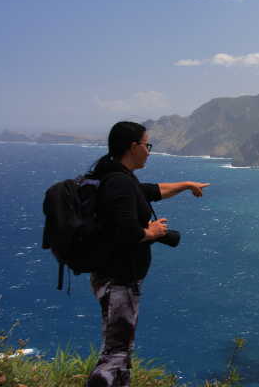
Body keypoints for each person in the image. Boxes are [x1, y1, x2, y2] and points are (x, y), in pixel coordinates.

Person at [86, 121, 209, 387]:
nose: (149, 151)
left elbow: (154, 191)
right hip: (119, 279)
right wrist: (152, 232)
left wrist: (187, 184)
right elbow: (126, 232)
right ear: (134, 147)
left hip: (116, 277)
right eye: (147, 144)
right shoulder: (119, 183)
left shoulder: (118, 177)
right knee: (116, 354)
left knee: (120, 350)